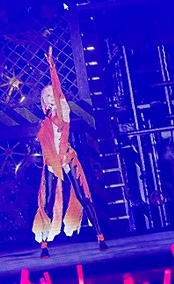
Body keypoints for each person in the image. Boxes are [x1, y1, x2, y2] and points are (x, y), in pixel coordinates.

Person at [32, 46, 108, 258]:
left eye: (52, 94)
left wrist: (52, 66)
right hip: (51, 162)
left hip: (66, 157)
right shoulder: (46, 119)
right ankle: (44, 244)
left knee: (83, 196)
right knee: (47, 201)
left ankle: (100, 236)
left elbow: (58, 92)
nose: (51, 97)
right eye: (46, 95)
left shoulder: (64, 110)